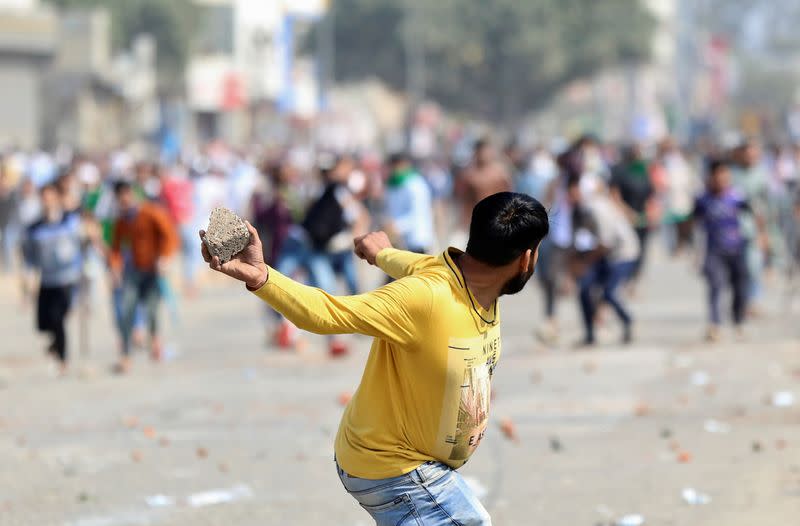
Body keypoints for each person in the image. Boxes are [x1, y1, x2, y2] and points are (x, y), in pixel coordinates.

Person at [199, 192, 549, 525]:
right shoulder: (426, 298)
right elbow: (326, 314)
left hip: (413, 465)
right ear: (526, 259)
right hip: (393, 467)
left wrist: (380, 252)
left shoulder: (466, 280)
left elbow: (413, 263)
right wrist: (263, 276)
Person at [110, 181, 178, 373]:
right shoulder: (122, 221)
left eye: (127, 195)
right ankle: (125, 355)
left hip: (152, 270)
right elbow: (115, 248)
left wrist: (164, 258)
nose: (124, 200)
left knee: (151, 311)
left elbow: (169, 236)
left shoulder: (150, 213)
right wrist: (115, 268)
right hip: (133, 272)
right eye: (120, 198)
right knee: (127, 311)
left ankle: (155, 343)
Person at [566, 176, 640, 346]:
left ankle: (627, 320)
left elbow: (605, 244)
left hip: (623, 253)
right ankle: (590, 334)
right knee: (584, 289)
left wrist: (584, 263)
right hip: (603, 254)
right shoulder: (578, 211)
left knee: (609, 292)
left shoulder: (597, 208)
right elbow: (578, 242)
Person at [22, 184, 83, 374]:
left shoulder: (70, 221)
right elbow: (29, 255)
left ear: (57, 198)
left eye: (51, 197)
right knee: (44, 323)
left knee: (58, 318)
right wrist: (28, 277)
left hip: (67, 278)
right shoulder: (35, 227)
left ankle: (63, 359)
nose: (47, 201)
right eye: (44, 197)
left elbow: (81, 243)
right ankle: (55, 344)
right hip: (46, 279)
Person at [693, 159, 751, 342]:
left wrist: (761, 240)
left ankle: (738, 321)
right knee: (715, 286)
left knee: (740, 287)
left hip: (736, 247)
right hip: (713, 250)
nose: (721, 179)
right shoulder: (703, 199)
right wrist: (694, 252)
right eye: (717, 175)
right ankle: (714, 324)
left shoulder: (737, 196)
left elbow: (753, 217)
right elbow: (694, 224)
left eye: (724, 174)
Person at [610, 144, 654, 284]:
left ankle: (635, 281)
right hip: (625, 218)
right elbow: (614, 195)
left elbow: (649, 194)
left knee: (641, 250)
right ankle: (622, 280)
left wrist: (650, 213)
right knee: (625, 251)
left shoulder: (643, 172)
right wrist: (628, 213)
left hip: (642, 218)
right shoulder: (620, 171)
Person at [383, 152, 435, 254]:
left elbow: (418, 213)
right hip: (397, 242)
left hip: (416, 240)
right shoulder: (392, 185)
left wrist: (397, 226)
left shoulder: (416, 184)